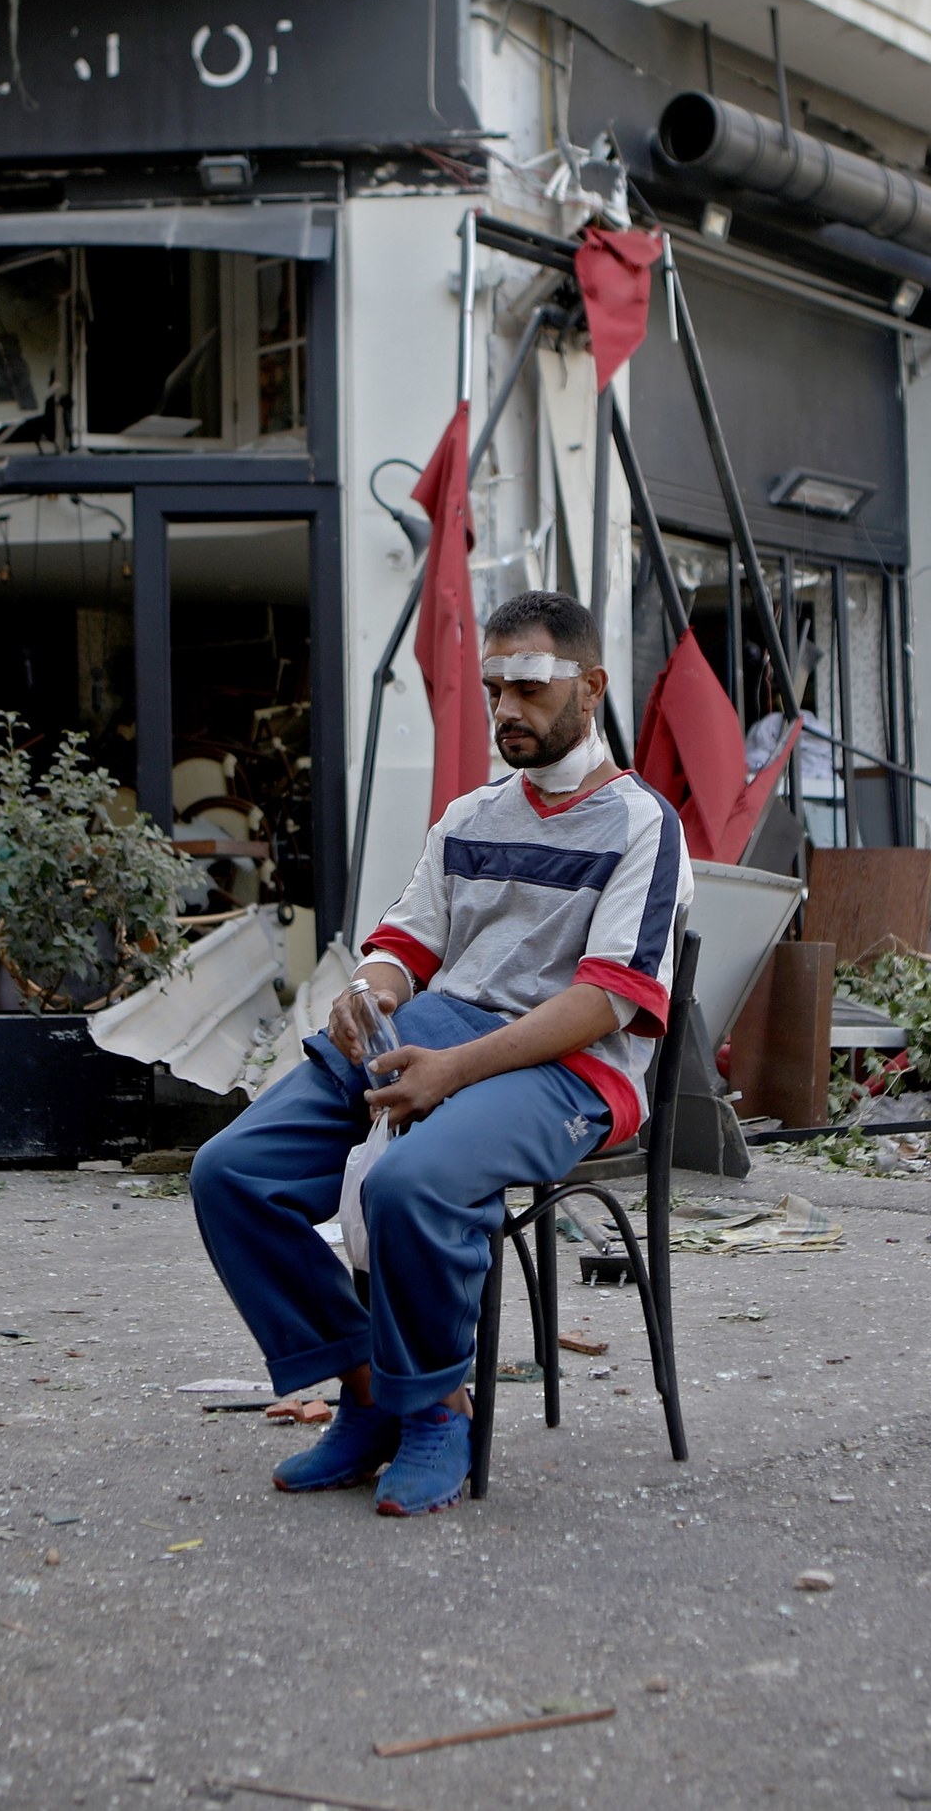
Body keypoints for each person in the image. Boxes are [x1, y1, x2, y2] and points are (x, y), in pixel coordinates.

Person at [188, 590, 693, 1516]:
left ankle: (436, 1411)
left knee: (408, 1185)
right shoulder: (469, 817)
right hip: (435, 1042)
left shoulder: (642, 826)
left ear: (591, 687)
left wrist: (456, 1070)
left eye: (531, 688)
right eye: (495, 686)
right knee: (231, 1174)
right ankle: (369, 1389)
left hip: (569, 1073)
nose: (507, 709)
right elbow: (406, 944)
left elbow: (606, 1002)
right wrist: (372, 990)